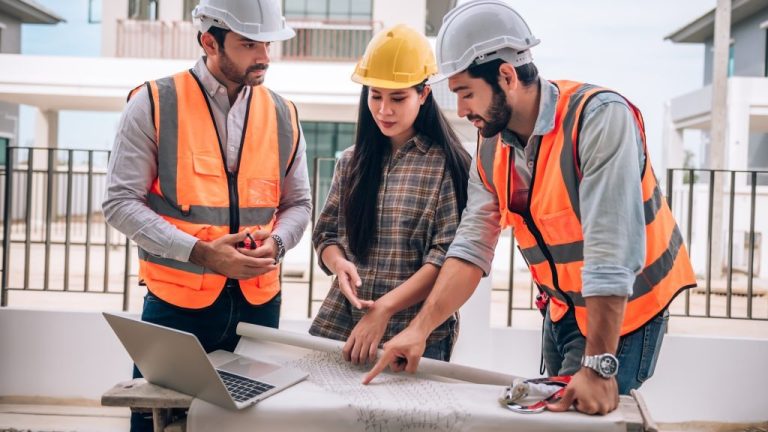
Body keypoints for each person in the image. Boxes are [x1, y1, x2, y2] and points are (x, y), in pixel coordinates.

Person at [364, 0, 697, 416]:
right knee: (553, 418)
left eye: (467, 93)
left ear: (506, 75)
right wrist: (418, 330)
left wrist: (597, 366)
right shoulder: (491, 143)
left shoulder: (599, 119)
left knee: (586, 414)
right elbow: (470, 247)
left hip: (625, 313)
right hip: (562, 311)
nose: (462, 111)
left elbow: (610, 252)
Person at [102, 0, 311, 429]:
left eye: (267, 43)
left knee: (249, 423)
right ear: (209, 41)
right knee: (158, 421)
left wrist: (278, 242)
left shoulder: (283, 113)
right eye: (249, 44)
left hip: (259, 305)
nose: (264, 57)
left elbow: (299, 204)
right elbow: (120, 202)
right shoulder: (154, 102)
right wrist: (201, 253)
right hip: (177, 307)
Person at [309, 24, 471, 365]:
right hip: (344, 326)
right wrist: (339, 265)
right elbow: (325, 235)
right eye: (375, 96)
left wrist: (384, 308)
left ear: (424, 94)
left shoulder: (447, 166)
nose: (384, 110)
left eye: (398, 98)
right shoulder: (352, 162)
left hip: (415, 335)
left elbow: (445, 259)